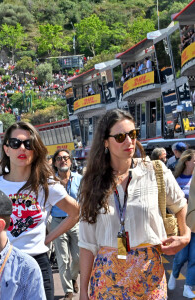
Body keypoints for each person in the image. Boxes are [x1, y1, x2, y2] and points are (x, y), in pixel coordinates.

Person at [78, 109, 190, 300]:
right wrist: (82, 292)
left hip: (149, 275)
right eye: (120, 136)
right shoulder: (91, 182)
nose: (129, 141)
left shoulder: (155, 171)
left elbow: (180, 204)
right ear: (105, 142)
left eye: (132, 134)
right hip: (108, 277)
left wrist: (185, 235)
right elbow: (87, 243)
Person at [0, 121, 79, 300]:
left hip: (36, 263)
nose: (22, 148)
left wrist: (48, 238)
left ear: (35, 149)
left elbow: (75, 212)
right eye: (15, 143)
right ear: (6, 149)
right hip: (0, 263)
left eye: (28, 144)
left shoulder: (46, 184)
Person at [50, 149, 82, 300]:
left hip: (76, 222)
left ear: (70, 161)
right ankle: (68, 291)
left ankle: (73, 277)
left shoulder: (80, 179)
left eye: (65, 158)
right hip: (58, 222)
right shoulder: (50, 182)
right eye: (59, 158)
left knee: (78, 257)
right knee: (62, 259)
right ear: (55, 163)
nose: (63, 160)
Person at [168, 149, 195, 298]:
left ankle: (188, 287)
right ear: (187, 162)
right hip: (182, 225)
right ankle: (174, 275)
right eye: (194, 161)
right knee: (181, 257)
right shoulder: (176, 180)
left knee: (194, 258)